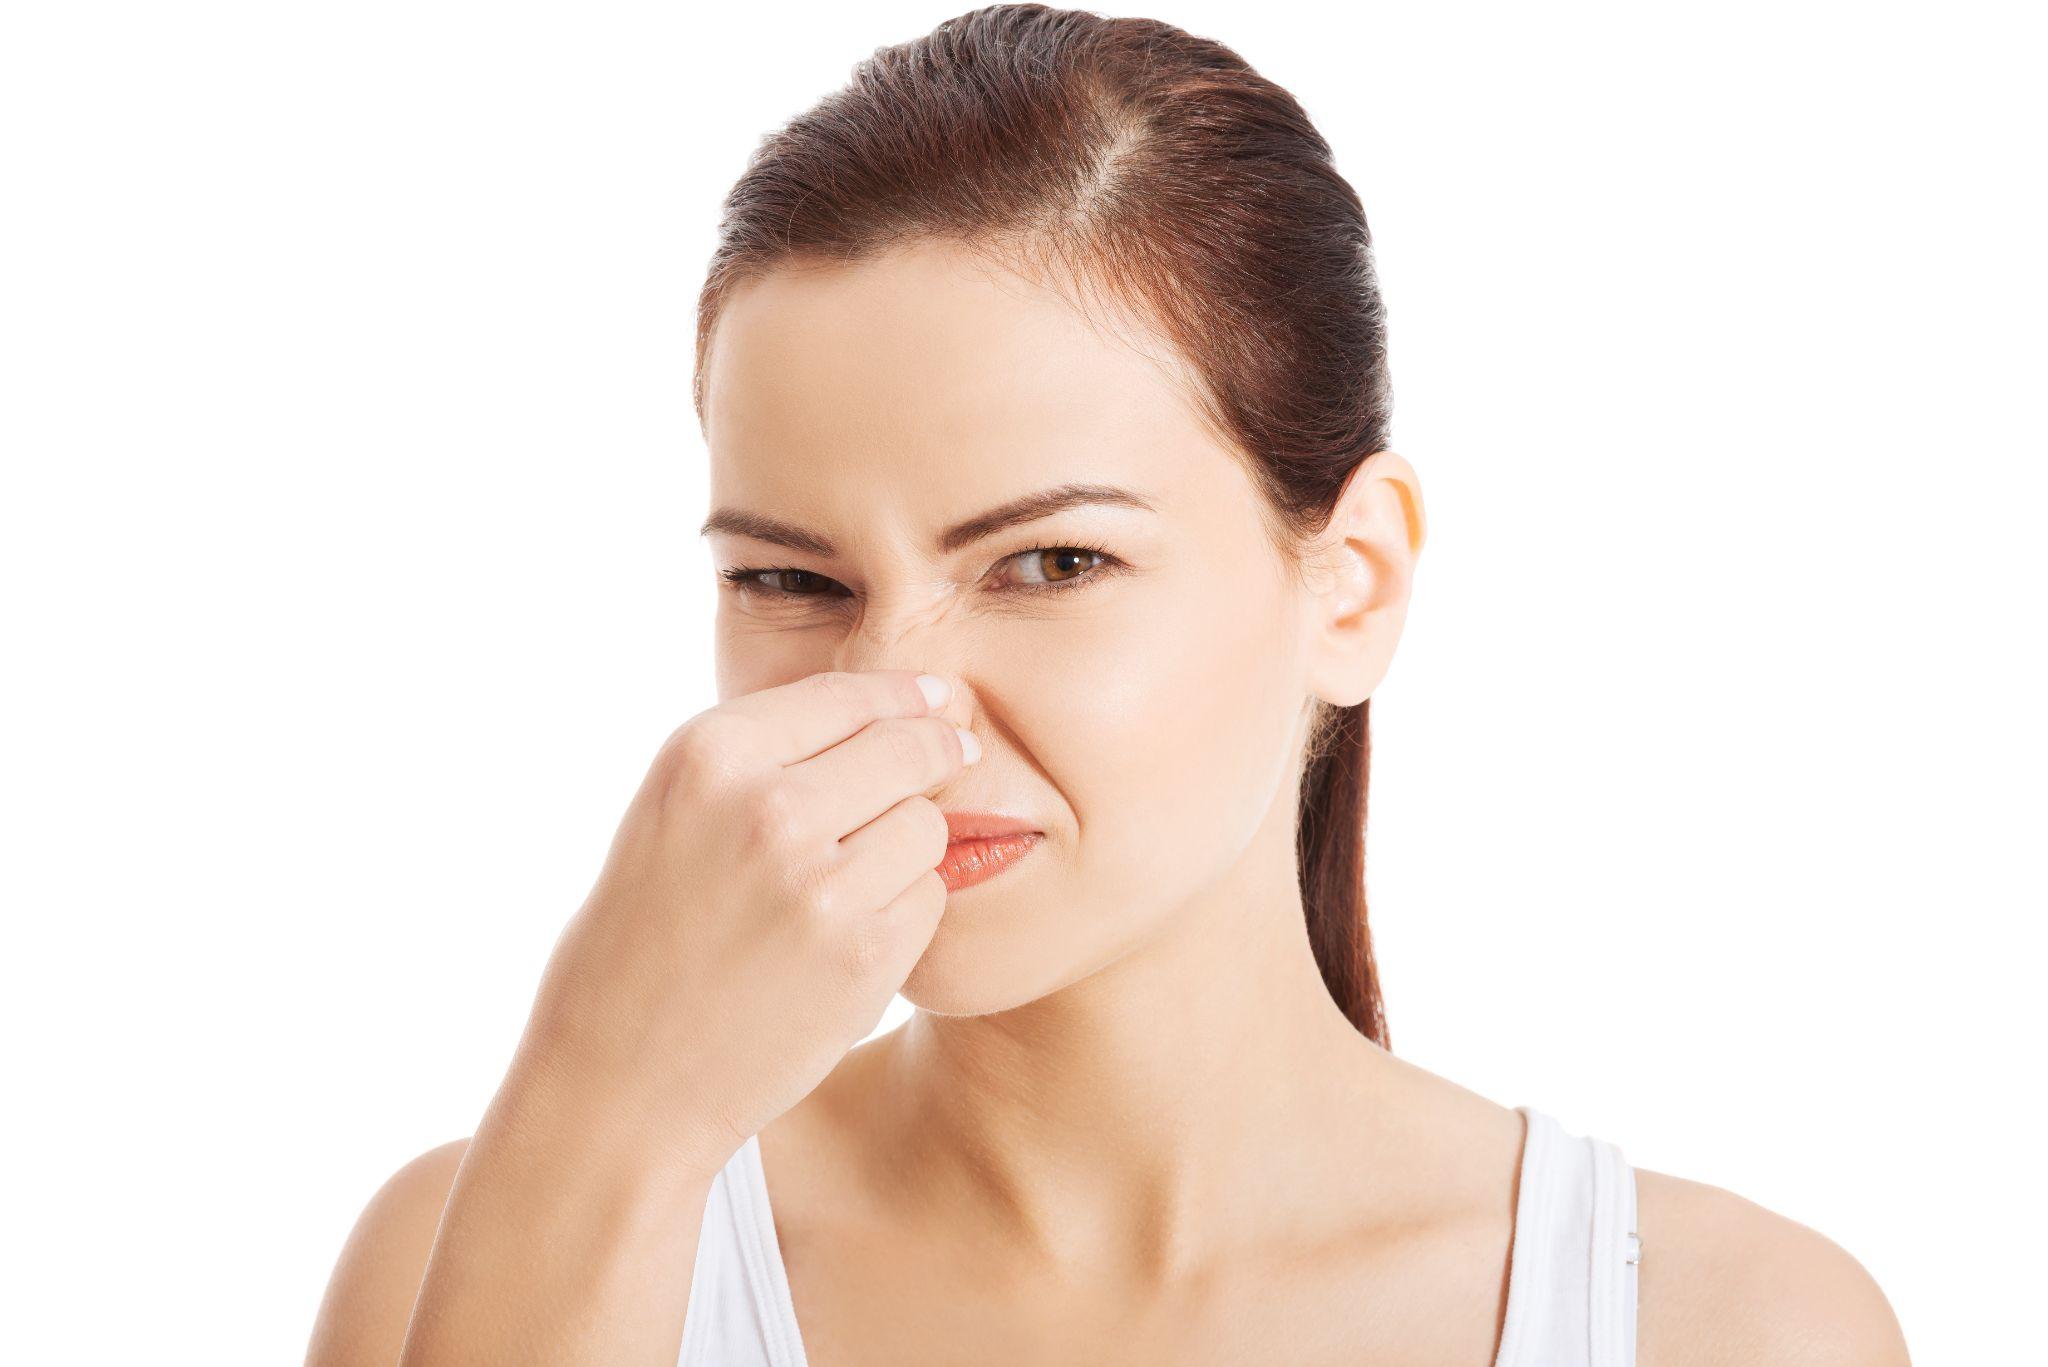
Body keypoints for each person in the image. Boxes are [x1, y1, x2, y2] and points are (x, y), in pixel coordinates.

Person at [306, 6, 1909, 1364]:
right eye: (791, 582)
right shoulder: (491, 1251)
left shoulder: (1728, 1324)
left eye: (1050, 565)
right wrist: (606, 1119)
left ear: (1353, 583)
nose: (900, 705)